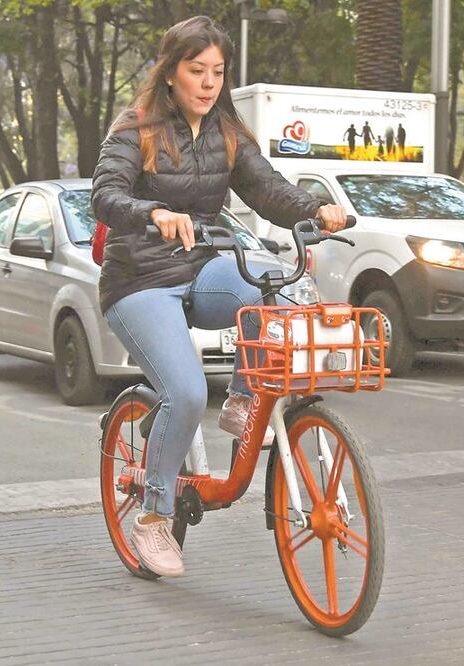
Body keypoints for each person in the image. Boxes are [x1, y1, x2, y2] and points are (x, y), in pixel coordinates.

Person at [91, 16, 347, 577]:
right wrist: (152, 213)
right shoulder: (135, 128)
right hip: (138, 281)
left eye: (218, 72)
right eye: (196, 70)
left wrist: (315, 210)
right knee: (184, 393)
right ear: (170, 73)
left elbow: (269, 190)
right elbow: (105, 195)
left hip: (201, 267)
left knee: (273, 291)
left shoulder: (226, 132)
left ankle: (241, 400)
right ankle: (152, 518)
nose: (208, 83)